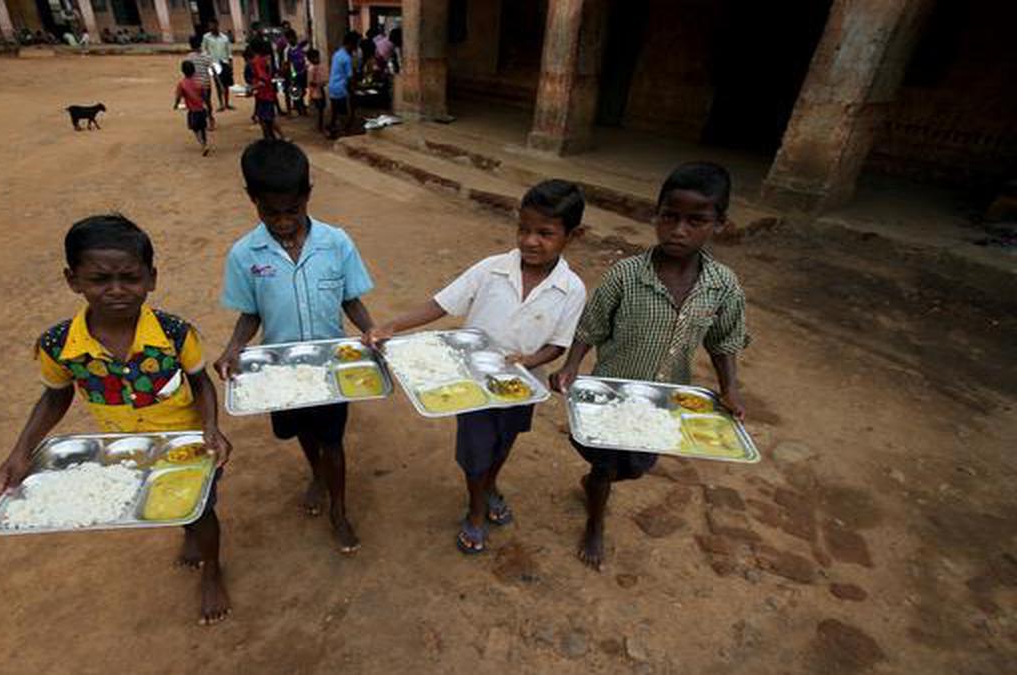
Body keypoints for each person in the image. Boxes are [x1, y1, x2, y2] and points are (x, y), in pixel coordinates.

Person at [0, 215, 234, 625]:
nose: (117, 291)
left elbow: (201, 382)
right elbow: (55, 396)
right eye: (100, 279)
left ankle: (212, 568)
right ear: (73, 281)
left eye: (130, 278)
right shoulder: (60, 345)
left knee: (202, 510)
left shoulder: (174, 334)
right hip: (126, 450)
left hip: (187, 443)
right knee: (168, 505)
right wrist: (20, 451)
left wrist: (211, 427)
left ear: (151, 278)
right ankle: (188, 532)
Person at [365, 181, 587, 554]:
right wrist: (393, 326)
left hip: (521, 387)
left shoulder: (572, 289)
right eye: (524, 229)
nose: (530, 240)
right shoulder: (490, 270)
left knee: (503, 444)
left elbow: (558, 345)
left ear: (571, 236)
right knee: (476, 452)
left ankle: (490, 484)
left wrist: (529, 361)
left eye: (545, 233)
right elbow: (441, 303)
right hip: (471, 385)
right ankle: (476, 508)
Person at [550, 162, 749, 571]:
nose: (679, 230)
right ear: (655, 216)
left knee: (638, 467)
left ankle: (596, 484)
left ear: (719, 224)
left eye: (697, 221)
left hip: (664, 401)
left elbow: (724, 341)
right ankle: (595, 520)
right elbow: (590, 327)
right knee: (604, 463)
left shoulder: (722, 285)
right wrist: (572, 366)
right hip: (612, 396)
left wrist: (730, 388)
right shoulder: (625, 275)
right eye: (670, 217)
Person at [216, 140, 376, 554]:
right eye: (271, 213)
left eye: (292, 211)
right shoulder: (244, 254)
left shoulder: (336, 243)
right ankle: (316, 474)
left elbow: (350, 299)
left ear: (307, 195)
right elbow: (250, 312)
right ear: (252, 200)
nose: (283, 222)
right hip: (281, 369)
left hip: (331, 367)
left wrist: (374, 332)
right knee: (303, 429)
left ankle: (339, 508)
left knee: (333, 439)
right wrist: (235, 346)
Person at [174, 60, 211, 155]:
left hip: (193, 111)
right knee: (203, 128)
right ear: (194, 70)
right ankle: (205, 143)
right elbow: (205, 96)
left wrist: (176, 104)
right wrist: (207, 105)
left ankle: (203, 144)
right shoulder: (199, 82)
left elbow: (178, 96)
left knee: (195, 129)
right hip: (202, 109)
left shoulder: (182, 84)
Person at [249, 38, 283, 140]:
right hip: (268, 92)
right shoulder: (266, 59)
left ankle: (276, 137)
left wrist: (252, 88)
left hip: (263, 93)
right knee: (268, 117)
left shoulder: (257, 61)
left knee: (265, 119)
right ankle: (275, 137)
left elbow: (262, 79)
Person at [327, 32, 358, 140]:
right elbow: (350, 77)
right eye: (355, 45)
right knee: (343, 113)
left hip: (332, 86)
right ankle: (343, 133)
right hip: (341, 88)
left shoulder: (337, 54)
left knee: (335, 112)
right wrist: (353, 90)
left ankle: (332, 131)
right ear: (351, 44)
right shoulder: (347, 58)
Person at [202, 21, 234, 111]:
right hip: (214, 64)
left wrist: (231, 64)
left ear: (217, 25)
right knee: (217, 84)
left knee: (226, 84)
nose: (212, 27)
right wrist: (208, 62)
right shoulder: (206, 38)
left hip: (225, 63)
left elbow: (229, 52)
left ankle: (227, 103)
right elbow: (204, 50)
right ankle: (221, 104)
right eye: (210, 25)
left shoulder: (224, 38)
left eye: (213, 25)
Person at [187, 34, 215, 131]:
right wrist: (219, 84)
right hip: (206, 84)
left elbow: (187, 73)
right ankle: (210, 119)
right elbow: (213, 71)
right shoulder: (206, 56)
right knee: (207, 103)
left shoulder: (189, 57)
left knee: (199, 104)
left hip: (195, 85)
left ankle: (205, 120)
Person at [284, 29, 308, 116]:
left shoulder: (299, 47)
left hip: (303, 72)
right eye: (289, 38)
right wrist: (290, 75)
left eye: (293, 37)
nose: (292, 39)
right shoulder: (287, 50)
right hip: (294, 73)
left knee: (303, 90)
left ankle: (299, 106)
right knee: (298, 91)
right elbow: (286, 63)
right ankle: (301, 109)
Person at [305, 48, 326, 134]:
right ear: (310, 59)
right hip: (316, 92)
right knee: (319, 108)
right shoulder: (311, 69)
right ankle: (319, 126)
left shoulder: (319, 66)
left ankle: (320, 124)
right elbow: (311, 82)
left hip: (320, 89)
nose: (317, 59)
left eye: (317, 57)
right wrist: (319, 84)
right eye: (315, 57)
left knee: (321, 108)